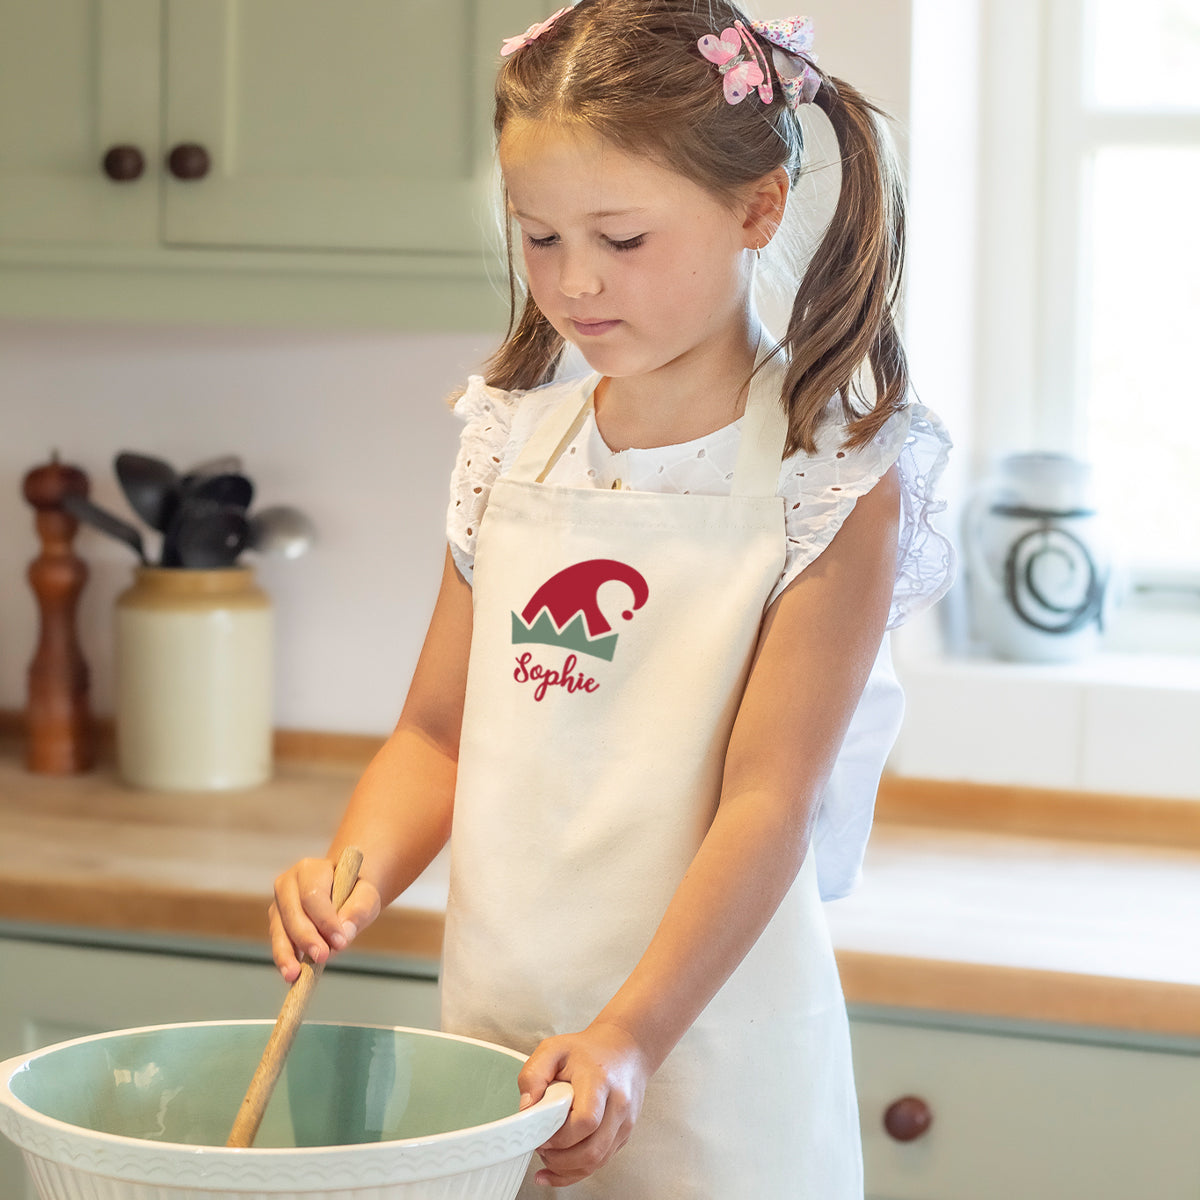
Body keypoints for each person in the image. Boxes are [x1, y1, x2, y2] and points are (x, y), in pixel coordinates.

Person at [269, 2, 953, 1195]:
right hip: (497, 1052)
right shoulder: (508, 442)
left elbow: (766, 803)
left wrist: (633, 1036)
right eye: (539, 237)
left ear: (757, 209)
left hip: (707, 1070)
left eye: (622, 240)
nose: (574, 283)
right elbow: (435, 738)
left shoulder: (831, 472)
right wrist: (350, 874)